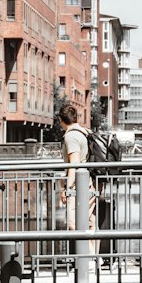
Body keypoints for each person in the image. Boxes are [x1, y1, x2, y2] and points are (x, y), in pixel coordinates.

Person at [57, 101, 92, 260]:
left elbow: (74, 163)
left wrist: (67, 188)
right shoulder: (84, 132)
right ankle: (92, 259)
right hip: (89, 183)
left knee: (74, 223)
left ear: (61, 120)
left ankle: (87, 260)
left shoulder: (71, 136)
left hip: (78, 185)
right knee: (89, 223)